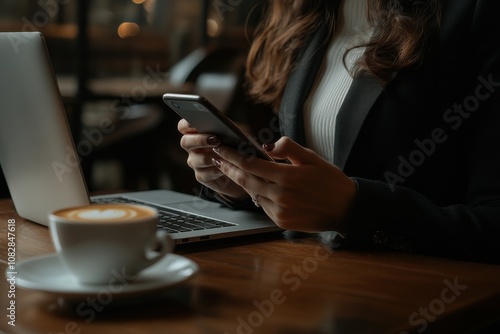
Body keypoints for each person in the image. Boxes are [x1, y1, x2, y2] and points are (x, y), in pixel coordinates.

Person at [178, 0, 500, 264]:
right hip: (306, 284)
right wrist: (243, 184)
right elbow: (307, 188)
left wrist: (354, 209)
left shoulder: (474, 13)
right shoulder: (309, 15)